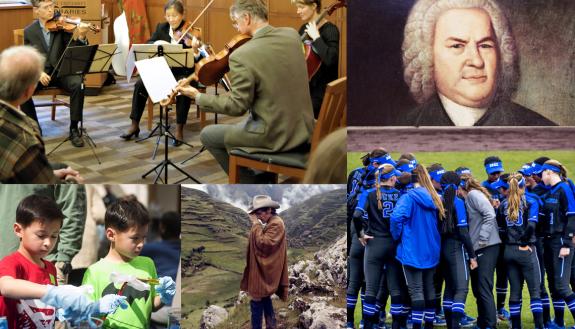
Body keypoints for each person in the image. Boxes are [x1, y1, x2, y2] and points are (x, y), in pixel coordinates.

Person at [175, 0, 315, 183]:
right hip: (304, 128)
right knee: (245, 123)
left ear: (247, 18)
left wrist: (198, 96)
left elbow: (236, 106)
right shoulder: (291, 36)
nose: (236, 27)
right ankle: (261, 176)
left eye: (235, 21)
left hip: (274, 137)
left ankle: (252, 184)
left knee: (208, 135)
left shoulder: (242, 55)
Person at [400, 0, 555, 126]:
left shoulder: (541, 129)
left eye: (485, 46)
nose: (477, 61)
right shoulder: (402, 129)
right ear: (427, 56)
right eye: (457, 46)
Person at [0, 195, 126, 328]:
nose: (48, 243)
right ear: (18, 230)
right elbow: (6, 286)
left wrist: (90, 308)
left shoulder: (50, 268)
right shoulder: (12, 262)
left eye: (54, 236)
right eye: (41, 235)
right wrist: (51, 292)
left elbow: (50, 308)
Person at [120, 0, 204, 146]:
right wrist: (156, 44)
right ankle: (134, 124)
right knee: (140, 84)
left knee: (182, 87)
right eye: (168, 16)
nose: (171, 19)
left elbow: (200, 59)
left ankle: (179, 130)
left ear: (182, 14)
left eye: (175, 16)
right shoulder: (161, 28)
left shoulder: (191, 30)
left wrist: (196, 49)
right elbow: (148, 44)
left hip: (184, 73)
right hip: (163, 71)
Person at [82, 198, 176, 328]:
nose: (141, 244)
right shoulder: (94, 272)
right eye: (135, 238)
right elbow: (86, 316)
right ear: (111, 235)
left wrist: (164, 297)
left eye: (144, 237)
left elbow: (151, 306)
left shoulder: (148, 264)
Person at [0, 45, 83, 183]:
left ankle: (74, 128)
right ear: (29, 91)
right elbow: (45, 184)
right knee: (68, 172)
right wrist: (75, 183)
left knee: (58, 167)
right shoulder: (26, 137)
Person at [21, 0, 92, 147]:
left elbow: (73, 49)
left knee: (78, 84)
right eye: (46, 7)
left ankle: (74, 128)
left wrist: (81, 36)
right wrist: (38, 72)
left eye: (52, 6)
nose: (51, 10)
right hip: (42, 74)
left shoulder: (61, 27)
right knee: (22, 88)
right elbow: (28, 57)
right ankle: (35, 128)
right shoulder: (29, 31)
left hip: (61, 72)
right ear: (36, 11)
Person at [391, 164, 444, 329]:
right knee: (429, 287)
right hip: (432, 250)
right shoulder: (435, 197)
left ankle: (416, 326)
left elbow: (395, 218)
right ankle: (428, 325)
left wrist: (397, 236)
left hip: (412, 251)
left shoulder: (407, 198)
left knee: (416, 290)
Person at [352, 164, 404, 329]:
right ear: (393, 178)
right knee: (396, 289)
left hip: (374, 245)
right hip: (394, 245)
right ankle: (396, 325)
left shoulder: (368, 193)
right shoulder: (400, 194)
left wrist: (361, 234)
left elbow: (357, 215)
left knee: (371, 289)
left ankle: (368, 325)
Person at [493, 173, 544, 329]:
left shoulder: (502, 204)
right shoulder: (531, 201)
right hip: (525, 250)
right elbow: (531, 226)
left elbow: (500, 230)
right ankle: (540, 327)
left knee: (515, 292)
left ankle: (516, 326)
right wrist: (523, 243)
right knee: (535, 292)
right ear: (523, 185)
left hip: (508, 251)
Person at [458, 173, 500, 329]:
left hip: (487, 246)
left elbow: (490, 215)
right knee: (477, 288)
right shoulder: (470, 196)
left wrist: (482, 239)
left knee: (483, 287)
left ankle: (490, 324)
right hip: (480, 247)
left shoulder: (474, 195)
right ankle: (483, 321)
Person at [240, 195, 288, 329]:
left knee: (256, 299)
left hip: (266, 271)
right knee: (265, 298)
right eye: (256, 214)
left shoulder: (276, 224)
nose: (258, 217)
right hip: (266, 270)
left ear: (268, 211)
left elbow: (264, 243)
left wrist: (256, 225)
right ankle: (271, 325)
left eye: (258, 213)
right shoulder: (272, 222)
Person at [438, 172, 477, 329]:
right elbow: (463, 232)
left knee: (449, 288)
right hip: (455, 249)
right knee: (461, 288)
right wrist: (472, 255)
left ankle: (450, 325)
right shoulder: (458, 202)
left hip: (441, 249)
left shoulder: (439, 201)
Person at [539, 160, 575, 329]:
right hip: (549, 242)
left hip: (561, 241)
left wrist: (567, 242)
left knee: (562, 285)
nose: (540, 177)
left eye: (542, 173)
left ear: (549, 172)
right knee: (553, 285)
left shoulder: (564, 188)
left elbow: (572, 216)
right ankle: (558, 322)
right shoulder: (551, 191)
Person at [294, 0, 340, 118]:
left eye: (301, 7)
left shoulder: (330, 30)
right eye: (297, 7)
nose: (297, 11)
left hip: (321, 93)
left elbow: (331, 60)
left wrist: (316, 37)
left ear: (314, 6)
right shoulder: (304, 28)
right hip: (305, 87)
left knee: (295, 115)